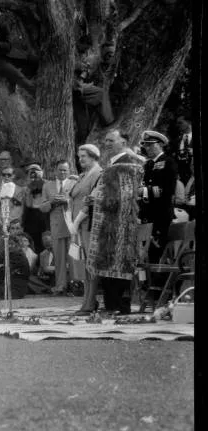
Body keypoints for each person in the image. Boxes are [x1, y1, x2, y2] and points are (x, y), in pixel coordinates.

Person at [83, 129, 144, 315]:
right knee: (108, 264)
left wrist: (98, 199)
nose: (107, 143)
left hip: (120, 225)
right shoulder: (113, 164)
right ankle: (112, 305)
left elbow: (125, 196)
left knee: (117, 262)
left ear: (124, 142)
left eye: (111, 140)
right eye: (106, 140)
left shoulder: (127, 164)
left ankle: (118, 305)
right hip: (110, 223)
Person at [68, 144, 103, 310]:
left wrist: (76, 221)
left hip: (88, 224)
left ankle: (90, 302)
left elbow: (91, 200)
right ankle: (86, 301)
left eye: (84, 156)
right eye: (79, 156)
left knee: (91, 263)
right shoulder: (83, 175)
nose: (80, 159)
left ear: (93, 156)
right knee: (83, 264)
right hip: (78, 225)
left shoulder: (98, 174)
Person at [138, 130, 179, 264]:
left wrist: (143, 191)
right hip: (147, 216)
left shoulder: (168, 162)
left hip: (160, 216)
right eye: (145, 145)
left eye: (151, 144)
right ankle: (148, 283)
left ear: (160, 144)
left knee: (157, 254)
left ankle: (160, 283)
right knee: (146, 255)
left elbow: (166, 191)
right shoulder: (148, 164)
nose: (147, 148)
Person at [40, 159, 75, 295]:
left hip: (72, 225)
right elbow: (42, 207)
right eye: (60, 169)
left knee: (73, 257)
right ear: (55, 171)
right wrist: (52, 202)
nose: (62, 172)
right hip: (56, 225)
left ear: (69, 171)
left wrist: (66, 201)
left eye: (65, 170)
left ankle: (75, 284)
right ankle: (61, 286)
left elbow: (79, 201)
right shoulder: (47, 186)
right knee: (59, 258)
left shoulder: (74, 184)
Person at [22, 163, 49, 253]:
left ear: (42, 172)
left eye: (36, 170)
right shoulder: (27, 187)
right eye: (31, 171)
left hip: (45, 216)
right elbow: (28, 204)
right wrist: (30, 186)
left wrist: (39, 181)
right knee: (32, 241)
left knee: (45, 241)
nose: (34, 173)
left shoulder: (47, 184)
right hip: (31, 217)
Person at [0, 167, 26, 232]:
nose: (6, 177)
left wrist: (8, 223)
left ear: (13, 176)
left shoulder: (20, 190)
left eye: (9, 175)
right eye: (4, 174)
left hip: (14, 226)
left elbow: (18, 209)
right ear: (1, 176)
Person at [174, 114, 193, 185]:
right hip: (180, 177)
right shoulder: (177, 140)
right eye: (177, 123)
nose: (178, 125)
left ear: (189, 122)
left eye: (180, 123)